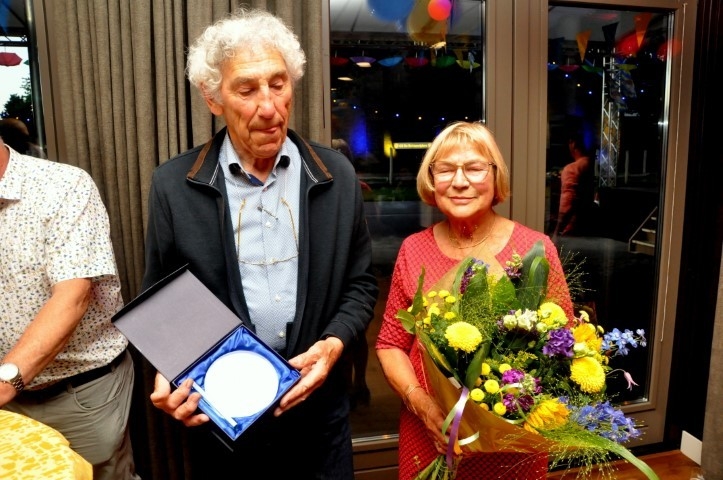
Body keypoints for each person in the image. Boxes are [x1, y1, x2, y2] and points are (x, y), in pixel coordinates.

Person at [141, 8, 378, 479]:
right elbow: (162, 302)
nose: (268, 106)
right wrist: (170, 367)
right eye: (246, 90)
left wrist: (333, 345)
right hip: (228, 423)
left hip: (319, 417)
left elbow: (361, 285)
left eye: (278, 83)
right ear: (213, 98)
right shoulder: (173, 185)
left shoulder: (336, 175)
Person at [375, 121, 574, 479]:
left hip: (510, 443)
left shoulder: (534, 250)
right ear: (431, 179)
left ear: (495, 176)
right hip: (429, 433)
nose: (459, 181)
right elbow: (391, 344)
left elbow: (563, 346)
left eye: (474, 168)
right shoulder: (413, 249)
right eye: (445, 169)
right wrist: (424, 407)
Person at [0, 136, 141, 480]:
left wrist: (3, 382)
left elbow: (72, 298)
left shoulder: (62, 185)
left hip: (78, 394)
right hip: (8, 406)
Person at [553, 130, 596, 237]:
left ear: (573, 143)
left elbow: (567, 204)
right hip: (590, 227)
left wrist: (556, 232)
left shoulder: (571, 169)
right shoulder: (591, 165)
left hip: (572, 232)